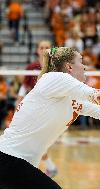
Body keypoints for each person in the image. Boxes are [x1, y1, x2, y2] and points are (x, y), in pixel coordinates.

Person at [0, 47, 100, 189]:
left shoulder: (73, 97)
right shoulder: (55, 78)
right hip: (9, 158)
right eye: (81, 61)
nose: (84, 66)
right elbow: (99, 96)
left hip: (16, 164)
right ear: (69, 66)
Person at [16, 40, 58, 178]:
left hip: (50, 109)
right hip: (33, 109)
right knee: (34, 141)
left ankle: (43, 168)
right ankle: (48, 168)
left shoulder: (57, 67)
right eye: (42, 47)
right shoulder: (31, 67)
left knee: (37, 142)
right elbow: (25, 86)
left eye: (47, 47)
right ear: (38, 50)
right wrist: (19, 100)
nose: (44, 50)